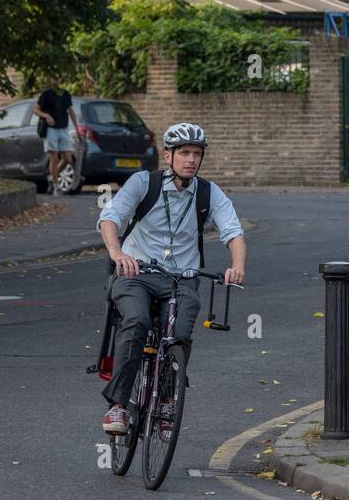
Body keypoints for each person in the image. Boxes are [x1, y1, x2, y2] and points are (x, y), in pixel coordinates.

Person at [97, 122, 246, 436]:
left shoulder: (208, 192)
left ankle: (166, 398)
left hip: (182, 279)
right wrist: (117, 253)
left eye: (196, 153)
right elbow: (110, 218)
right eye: (184, 153)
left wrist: (237, 265)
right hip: (135, 272)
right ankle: (119, 406)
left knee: (178, 334)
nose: (191, 159)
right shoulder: (143, 183)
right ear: (169, 156)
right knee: (136, 320)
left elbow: (233, 232)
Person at [33, 82, 78, 195]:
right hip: (51, 130)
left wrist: (77, 128)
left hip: (63, 129)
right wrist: (46, 116)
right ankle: (56, 186)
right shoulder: (46, 94)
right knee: (54, 157)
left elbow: (71, 111)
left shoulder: (65, 94)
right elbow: (36, 110)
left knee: (67, 158)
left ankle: (52, 177)